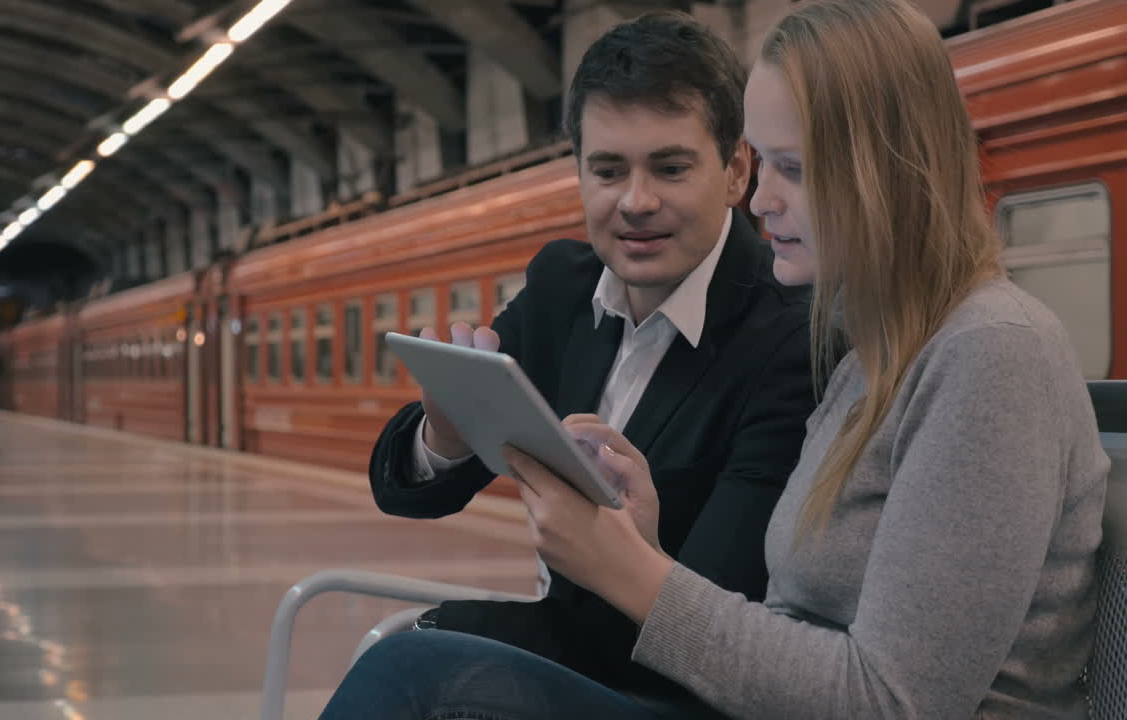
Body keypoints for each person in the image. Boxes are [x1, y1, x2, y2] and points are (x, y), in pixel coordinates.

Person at [323, 0, 1109, 718]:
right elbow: (790, 622)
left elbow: (894, 702)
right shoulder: (875, 350)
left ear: (892, 167)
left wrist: (626, 565)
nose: (762, 201)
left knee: (422, 678)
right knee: (419, 665)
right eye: (765, 164)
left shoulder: (988, 354)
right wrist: (646, 540)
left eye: (792, 170)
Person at [360, 11, 815, 716]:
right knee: (411, 656)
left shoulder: (788, 339)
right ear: (578, 173)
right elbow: (409, 493)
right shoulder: (562, 289)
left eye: (670, 167)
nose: (636, 202)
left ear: (734, 171)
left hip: (687, 692)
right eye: (608, 170)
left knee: (413, 664)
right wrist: (444, 437)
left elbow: (717, 624)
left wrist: (448, 631)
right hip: (578, 655)